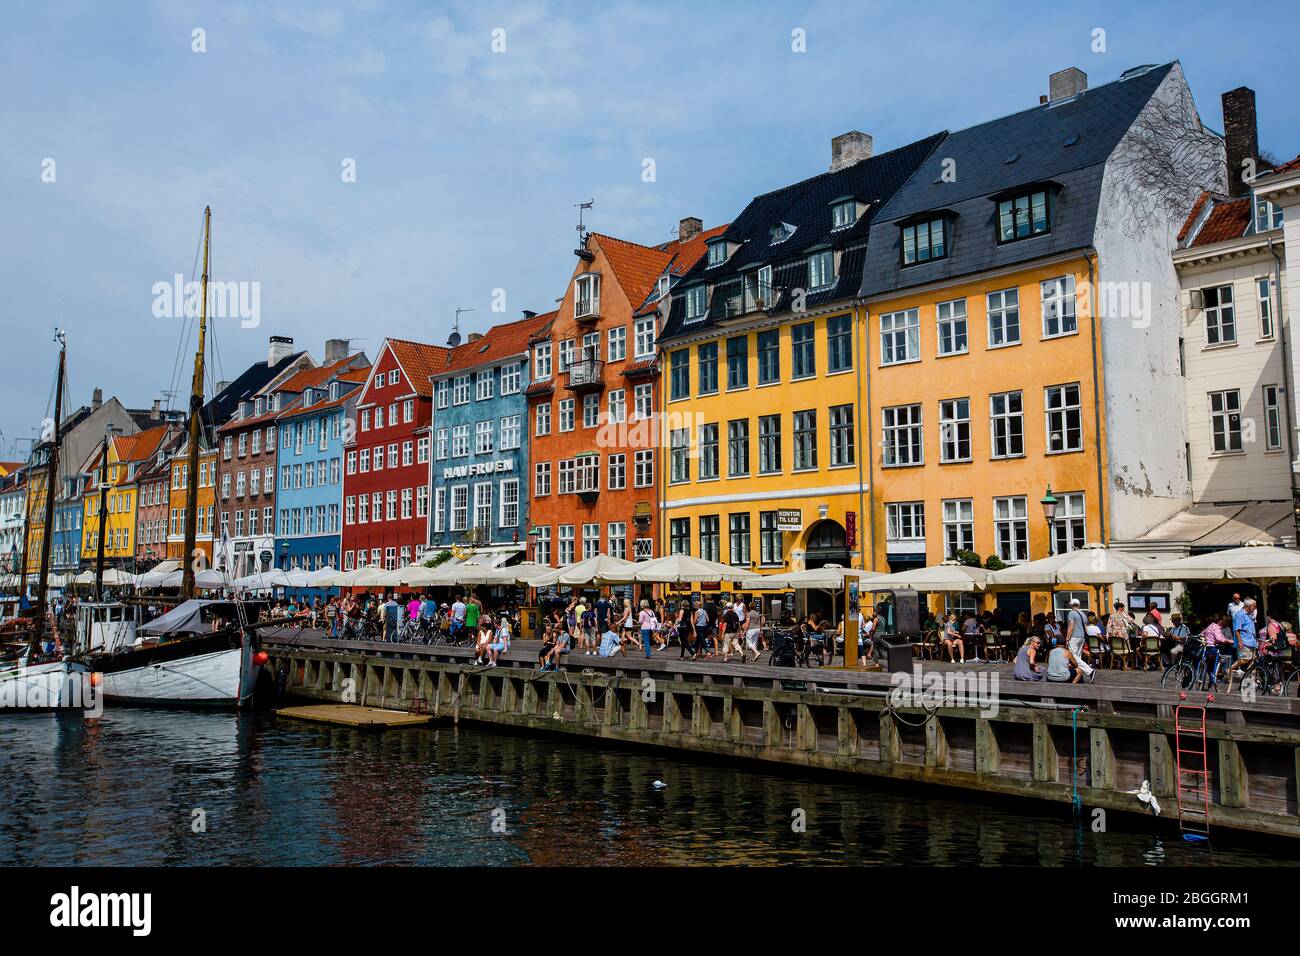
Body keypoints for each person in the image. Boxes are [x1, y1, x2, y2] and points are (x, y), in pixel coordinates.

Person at [1063, 597, 1096, 682]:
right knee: (1077, 657)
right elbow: (1085, 628)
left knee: (1073, 657)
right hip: (1082, 637)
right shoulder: (1083, 614)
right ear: (1079, 605)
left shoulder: (1071, 613)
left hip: (1074, 637)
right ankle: (1078, 676)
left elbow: (1071, 626)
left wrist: (1067, 639)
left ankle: (1090, 671)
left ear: (1071, 605)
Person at [1227, 597, 1259, 685]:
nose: (1255, 608)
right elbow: (1237, 629)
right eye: (1254, 606)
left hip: (1251, 641)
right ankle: (1229, 669)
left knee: (1254, 660)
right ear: (1249, 606)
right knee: (1244, 659)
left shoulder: (1249, 615)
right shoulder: (1240, 615)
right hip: (1244, 641)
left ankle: (1250, 679)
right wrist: (1240, 641)